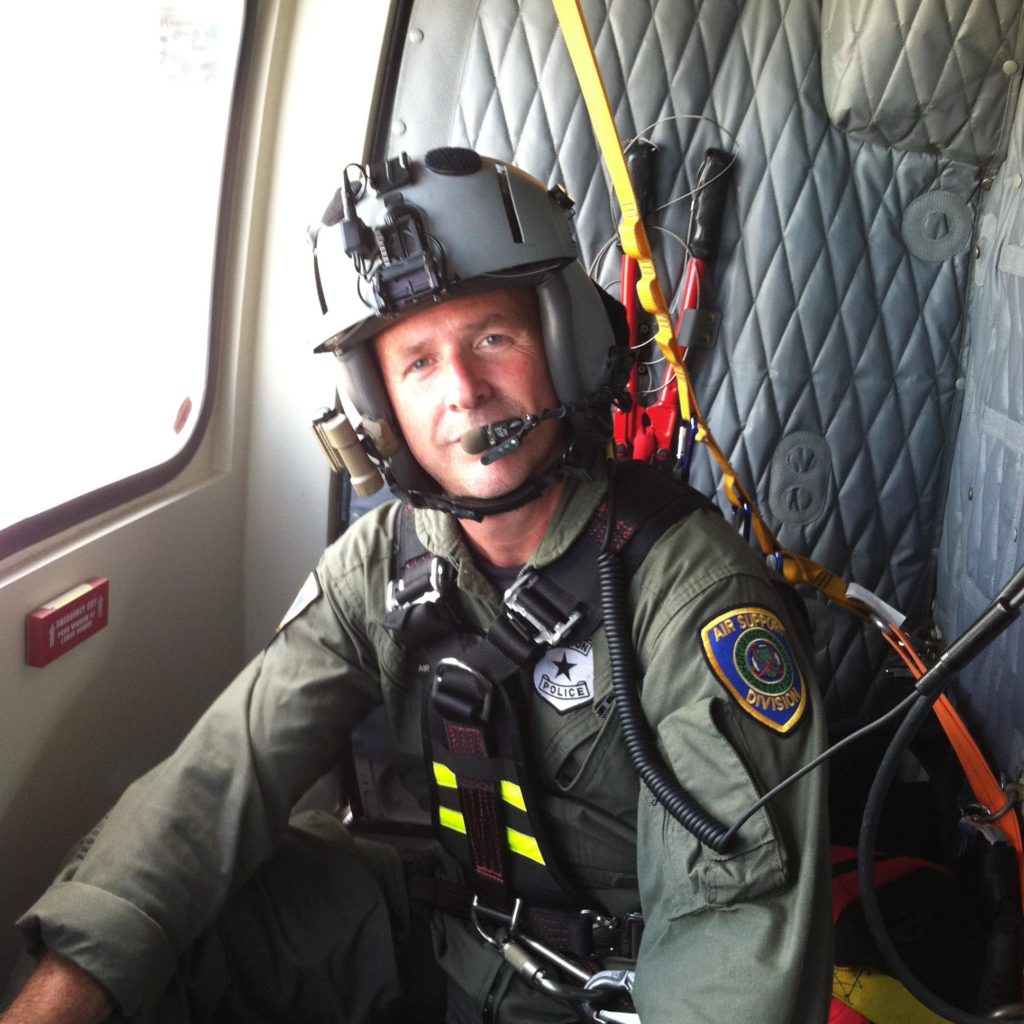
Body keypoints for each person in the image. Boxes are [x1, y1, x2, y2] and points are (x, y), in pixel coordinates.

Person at [5, 148, 832, 1023]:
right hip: (451, 942)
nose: (465, 394)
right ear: (379, 403)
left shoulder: (691, 595)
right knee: (191, 916)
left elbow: (731, 935)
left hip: (614, 992)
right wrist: (67, 989)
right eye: (419, 364)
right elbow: (220, 777)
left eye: (492, 338)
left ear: (564, 345)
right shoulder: (383, 565)